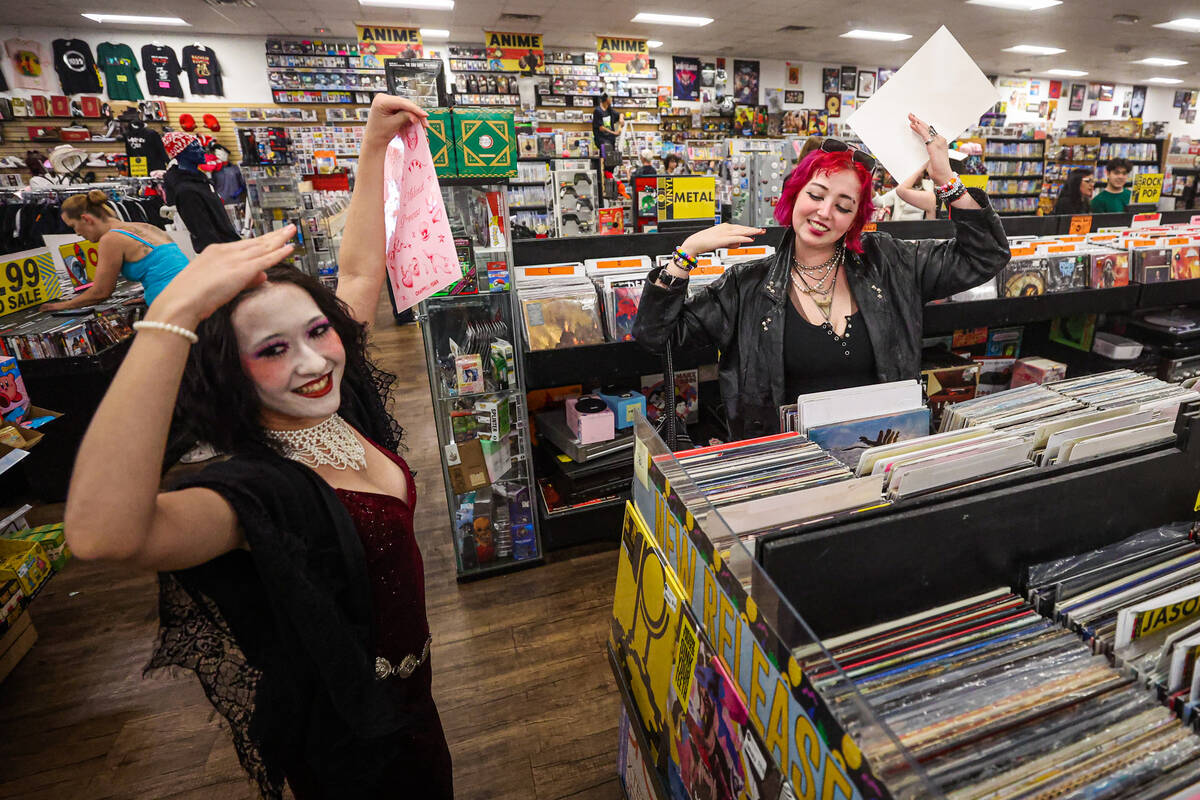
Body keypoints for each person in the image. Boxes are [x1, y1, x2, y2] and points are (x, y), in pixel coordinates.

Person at [61, 95, 454, 799]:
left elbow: (361, 276)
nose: (313, 363)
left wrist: (372, 149)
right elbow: (100, 535)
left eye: (318, 332)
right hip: (349, 748)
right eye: (273, 349)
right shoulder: (258, 490)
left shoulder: (335, 410)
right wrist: (172, 313)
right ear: (228, 371)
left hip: (415, 713)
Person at [633, 113, 1010, 440]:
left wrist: (947, 179)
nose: (825, 212)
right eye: (816, 195)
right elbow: (655, 336)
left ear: (854, 219)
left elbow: (985, 255)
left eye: (844, 206)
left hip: (880, 462)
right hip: (787, 471)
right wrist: (686, 254)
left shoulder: (890, 262)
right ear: (794, 195)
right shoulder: (746, 285)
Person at [41, 189, 188, 310]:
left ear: (87, 219)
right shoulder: (145, 227)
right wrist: (149, 292)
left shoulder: (111, 239)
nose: (77, 233)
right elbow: (171, 267)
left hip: (173, 306)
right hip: (194, 294)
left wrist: (60, 306)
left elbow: (101, 292)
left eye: (73, 226)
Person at [163, 131, 241, 253]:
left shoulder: (201, 180)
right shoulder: (187, 191)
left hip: (229, 246)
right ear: (181, 153)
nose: (202, 151)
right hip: (219, 254)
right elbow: (203, 232)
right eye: (195, 148)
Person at [592, 93, 620, 158]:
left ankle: (608, 167)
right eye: (611, 98)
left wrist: (621, 119)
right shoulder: (598, 111)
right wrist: (614, 133)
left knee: (611, 159)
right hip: (602, 139)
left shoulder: (609, 109)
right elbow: (601, 128)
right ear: (607, 99)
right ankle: (603, 167)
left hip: (610, 139)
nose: (612, 100)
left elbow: (620, 114)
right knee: (605, 158)